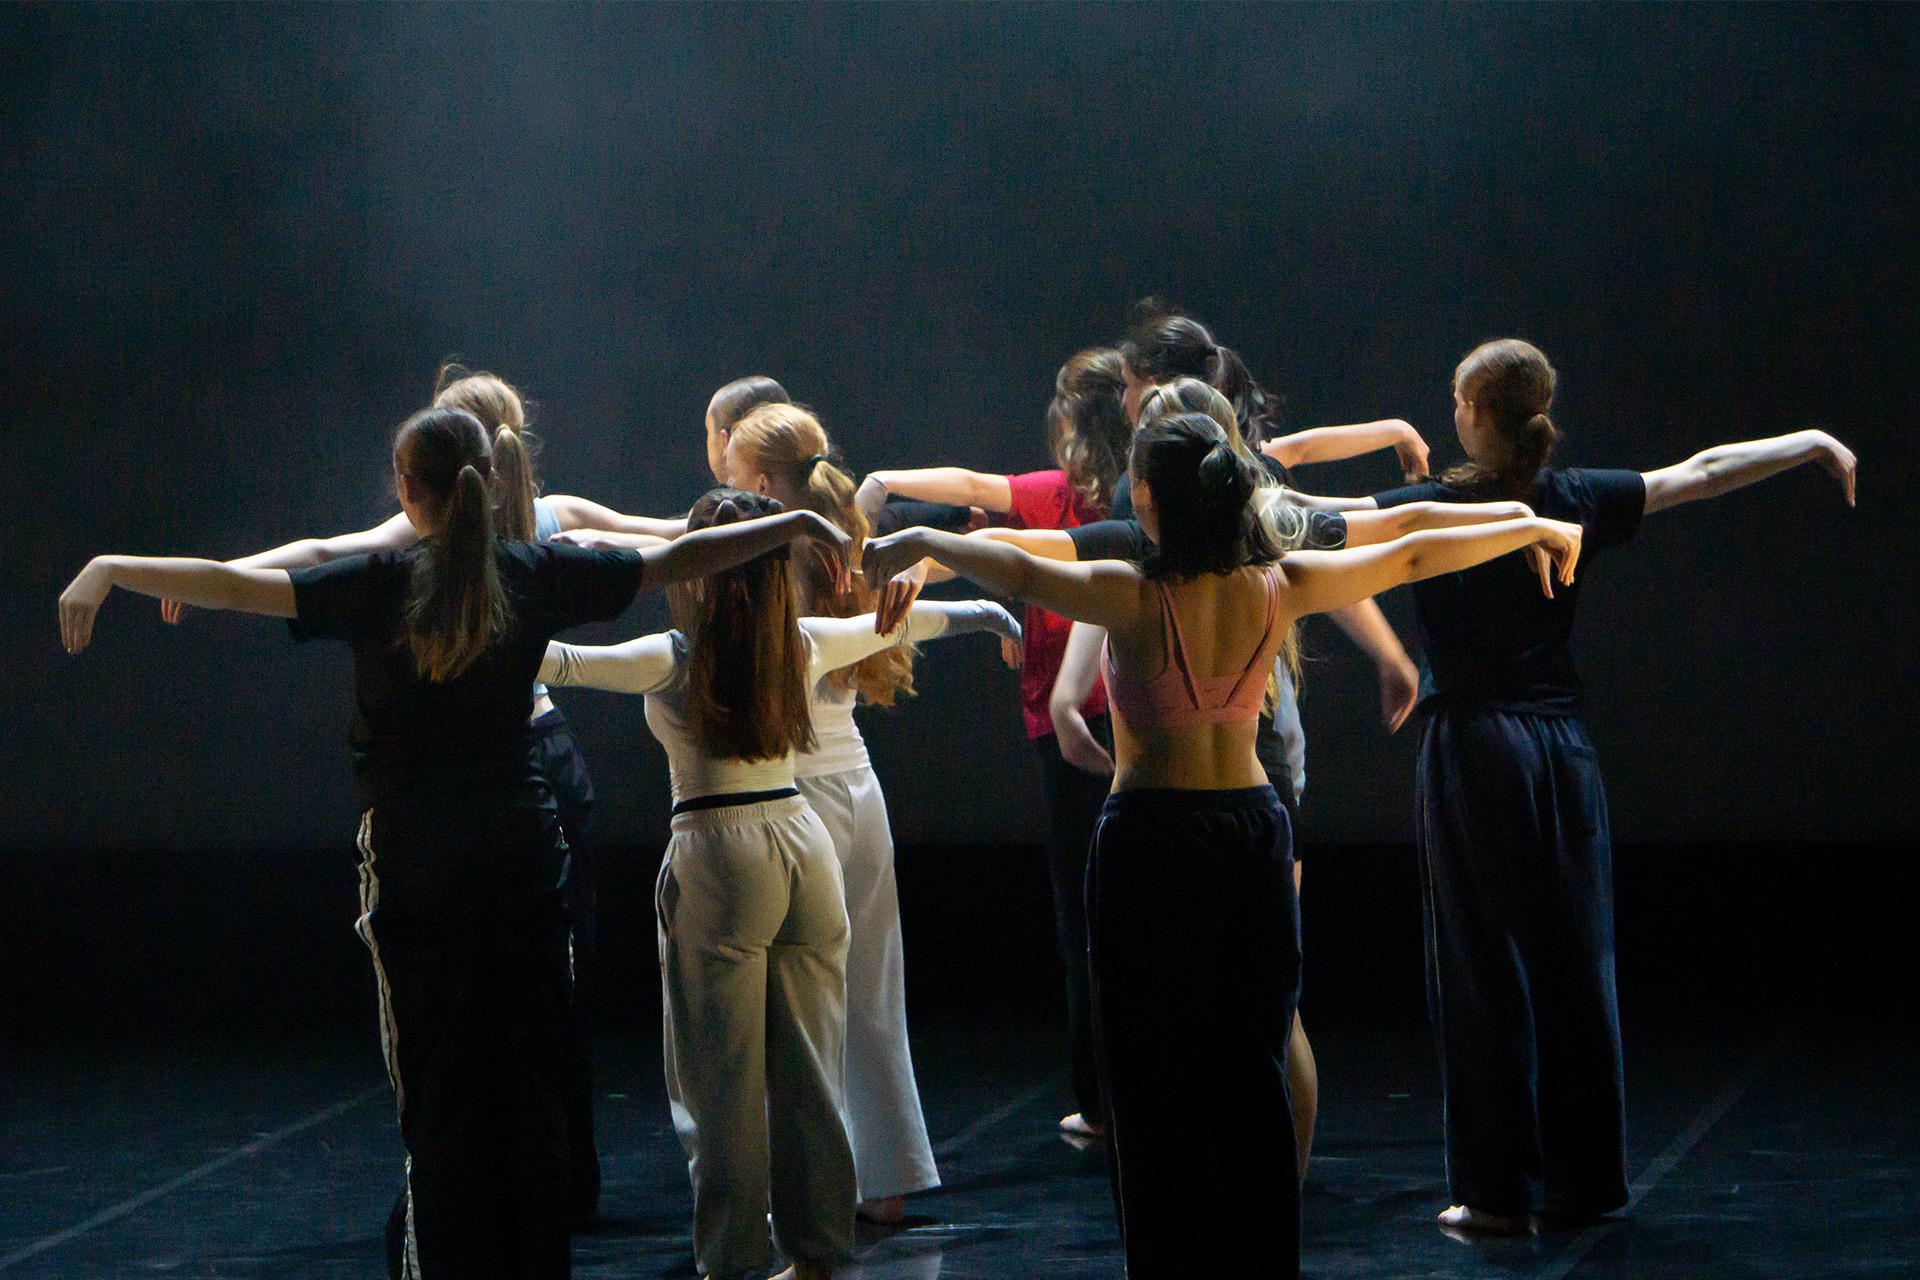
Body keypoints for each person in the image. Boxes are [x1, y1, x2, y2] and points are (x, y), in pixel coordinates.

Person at [59, 408, 851, 1280]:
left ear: (408, 489)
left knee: (439, 1089)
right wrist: (794, 522)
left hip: (419, 859)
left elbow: (238, 584)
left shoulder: (385, 583)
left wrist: (107, 569)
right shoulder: (531, 570)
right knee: (529, 1078)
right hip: (521, 853)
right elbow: (675, 558)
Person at [861, 411, 1584, 1277]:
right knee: (1253, 1061)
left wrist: (912, 542)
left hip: (1152, 841)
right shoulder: (1280, 583)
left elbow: (1019, 560)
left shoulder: (1127, 592)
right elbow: (1414, 545)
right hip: (1248, 833)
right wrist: (1526, 521)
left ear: (1149, 502)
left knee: (1148, 1072)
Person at [1344, 338, 1858, 1234]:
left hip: (1478, 747)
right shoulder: (1570, 496)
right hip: (1561, 750)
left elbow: (1323, 518)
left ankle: (1497, 1191)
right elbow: (1699, 473)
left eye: (1459, 397)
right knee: (1574, 962)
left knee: (1480, 966)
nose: (1450, 407)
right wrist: (1808, 440)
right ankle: (1587, 1184)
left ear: (1479, 413)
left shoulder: (1435, 506)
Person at [157, 364, 679, 1227]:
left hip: (475, 785)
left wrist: (212, 573)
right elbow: (661, 538)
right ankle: (555, 1181)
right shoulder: (555, 520)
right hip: (539, 766)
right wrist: (765, 525)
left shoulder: (428, 535)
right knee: (548, 989)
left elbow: (324, 557)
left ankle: (461, 1183)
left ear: (427, 471)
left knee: (459, 1000)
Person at [536, 488, 1014, 1280]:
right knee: (812, 1076)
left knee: (720, 1086)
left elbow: (562, 662)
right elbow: (908, 624)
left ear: (696, 569)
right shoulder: (803, 642)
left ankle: (734, 1261)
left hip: (720, 856)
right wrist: (992, 618)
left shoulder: (672, 656)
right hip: (804, 846)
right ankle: (820, 1251)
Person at [721, 402, 1021, 1223]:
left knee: (805, 992)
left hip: (801, 794)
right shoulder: (848, 541)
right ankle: (883, 1177)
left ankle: (820, 1181)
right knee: (871, 983)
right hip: (859, 787)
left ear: (755, 479)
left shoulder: (775, 556)